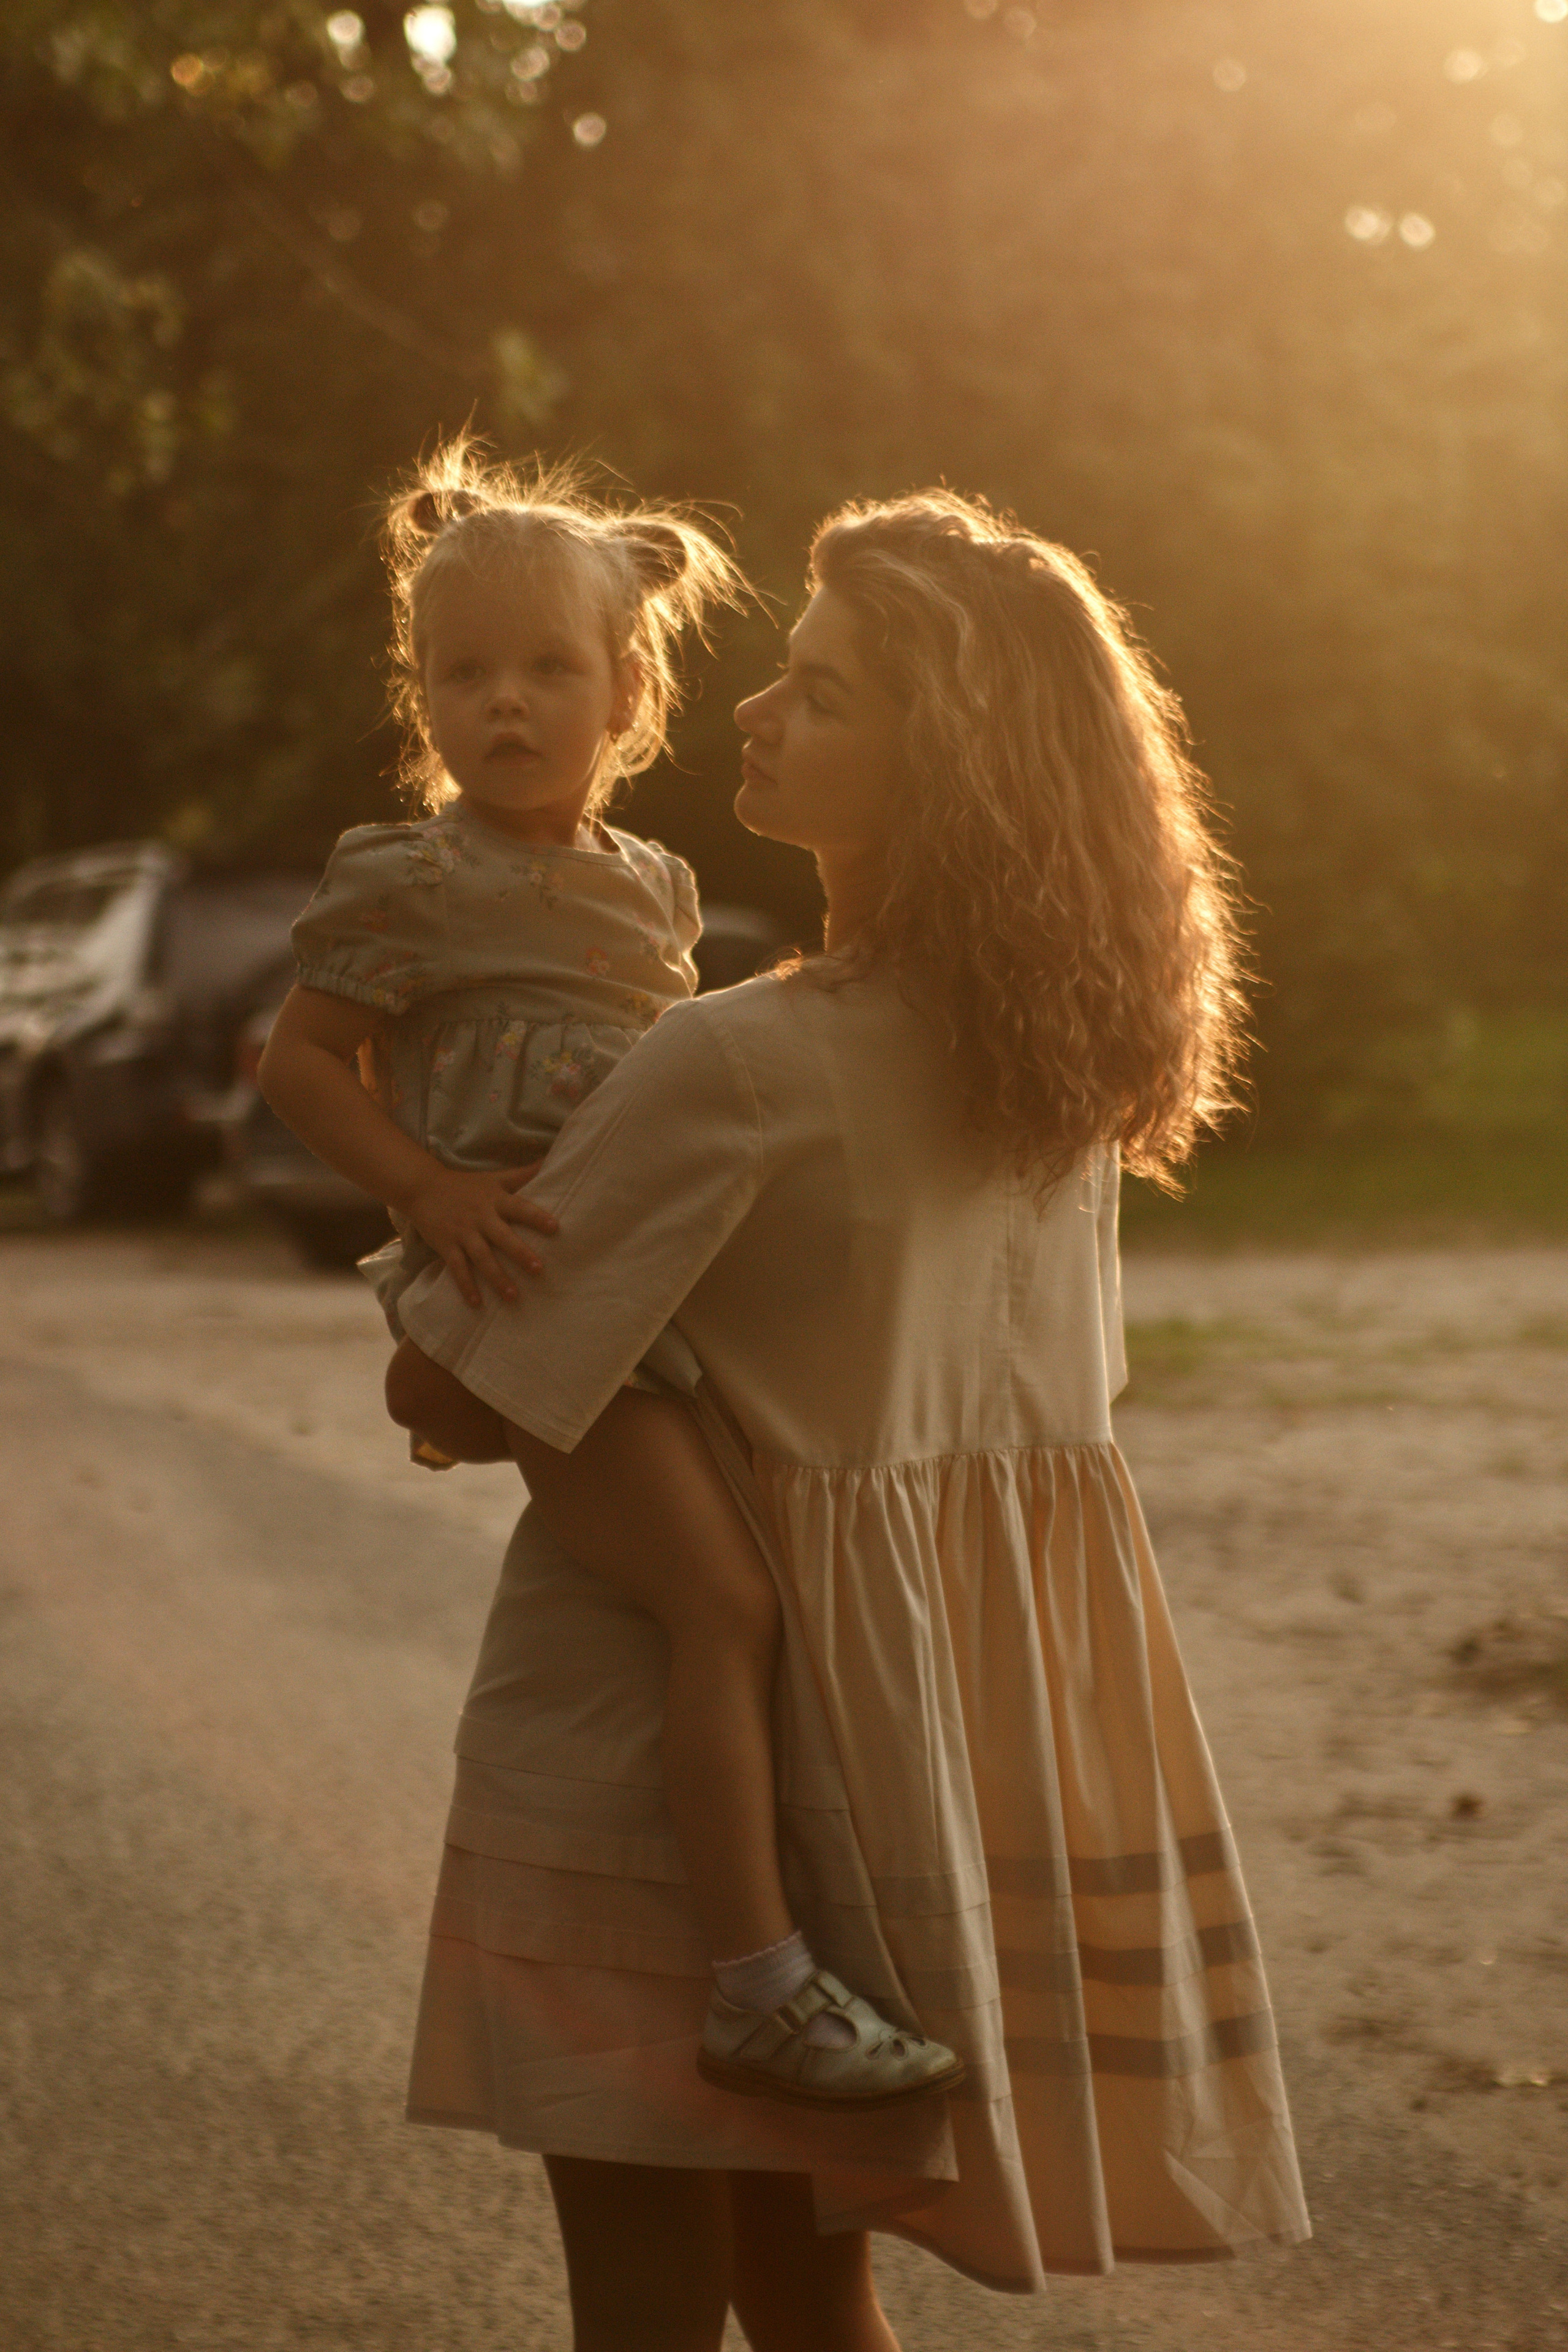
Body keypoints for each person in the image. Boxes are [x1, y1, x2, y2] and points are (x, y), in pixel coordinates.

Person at [391, 489, 1311, 2350]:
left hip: (647, 1765)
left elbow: (449, 1383)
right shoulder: (1062, 1069)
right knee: (817, 2313)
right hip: (899, 1759)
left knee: (644, 2318)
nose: (754, 712)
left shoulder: (738, 1058)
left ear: (944, 760)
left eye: (820, 693)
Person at [258, 442, 954, 2110]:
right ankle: (762, 1988)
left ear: (630, 686)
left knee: (745, 1591)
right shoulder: (408, 879)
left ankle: (791, 1936)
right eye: (460, 673)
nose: (503, 704)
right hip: (514, 1292)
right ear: (418, 694)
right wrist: (428, 1193)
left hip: (637, 1309)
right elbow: (298, 1067)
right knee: (723, 1604)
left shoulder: (656, 891)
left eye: (548, 668)